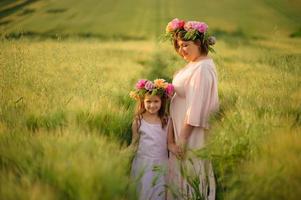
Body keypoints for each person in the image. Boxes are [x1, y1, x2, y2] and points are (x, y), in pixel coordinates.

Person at [165, 19, 219, 200]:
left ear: (199, 43)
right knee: (182, 173)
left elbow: (196, 108)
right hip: (182, 129)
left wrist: (181, 139)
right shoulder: (195, 64)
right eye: (179, 47)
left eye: (185, 45)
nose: (182, 50)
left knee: (190, 172)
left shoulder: (202, 68)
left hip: (190, 133)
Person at [129, 79, 175, 200]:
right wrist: (121, 153)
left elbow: (169, 143)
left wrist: (177, 149)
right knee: (143, 192)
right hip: (142, 164)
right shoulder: (138, 121)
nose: (152, 105)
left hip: (161, 164)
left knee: (158, 193)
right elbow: (134, 143)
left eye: (156, 101)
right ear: (143, 102)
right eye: (148, 101)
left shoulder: (167, 120)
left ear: (162, 102)